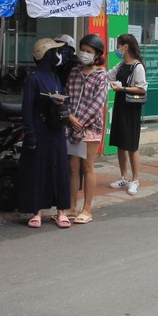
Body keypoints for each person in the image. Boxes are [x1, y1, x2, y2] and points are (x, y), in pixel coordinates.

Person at [19, 38, 72, 228]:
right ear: (46, 54)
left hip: (56, 130)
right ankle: (37, 211)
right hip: (40, 130)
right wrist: (30, 134)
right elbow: (27, 110)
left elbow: (66, 100)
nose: (58, 56)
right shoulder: (33, 79)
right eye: (55, 52)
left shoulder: (56, 77)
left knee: (59, 170)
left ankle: (61, 211)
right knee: (38, 171)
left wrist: (61, 103)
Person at [66, 34, 109, 223]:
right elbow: (66, 96)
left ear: (97, 55)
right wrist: (69, 117)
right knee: (72, 167)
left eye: (89, 51)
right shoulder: (74, 72)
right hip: (71, 126)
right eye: (82, 49)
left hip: (90, 128)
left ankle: (87, 209)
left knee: (87, 166)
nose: (84, 54)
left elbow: (97, 104)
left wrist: (79, 121)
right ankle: (71, 207)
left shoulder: (102, 76)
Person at [108, 34, 148, 194]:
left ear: (126, 47)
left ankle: (135, 179)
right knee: (120, 143)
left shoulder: (137, 67)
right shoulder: (120, 65)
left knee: (131, 145)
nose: (117, 49)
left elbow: (142, 88)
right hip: (120, 106)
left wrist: (123, 88)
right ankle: (123, 177)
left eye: (119, 46)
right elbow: (108, 75)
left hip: (131, 108)